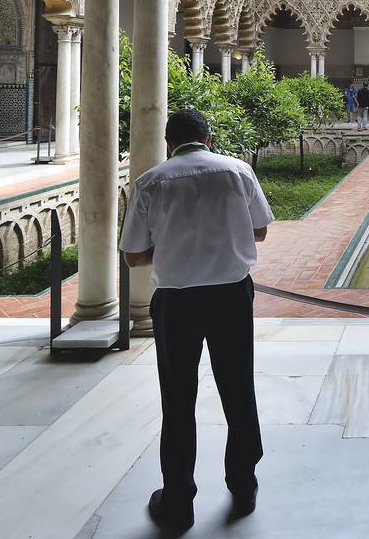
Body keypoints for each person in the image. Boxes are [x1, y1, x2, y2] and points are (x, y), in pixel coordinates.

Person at [120, 109, 274, 530]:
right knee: (238, 388)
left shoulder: (151, 181)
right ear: (208, 137)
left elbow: (133, 255)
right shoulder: (237, 170)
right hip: (231, 297)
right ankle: (243, 484)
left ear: (170, 142)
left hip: (177, 303)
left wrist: (170, 248)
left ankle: (178, 500)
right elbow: (260, 231)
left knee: (178, 397)